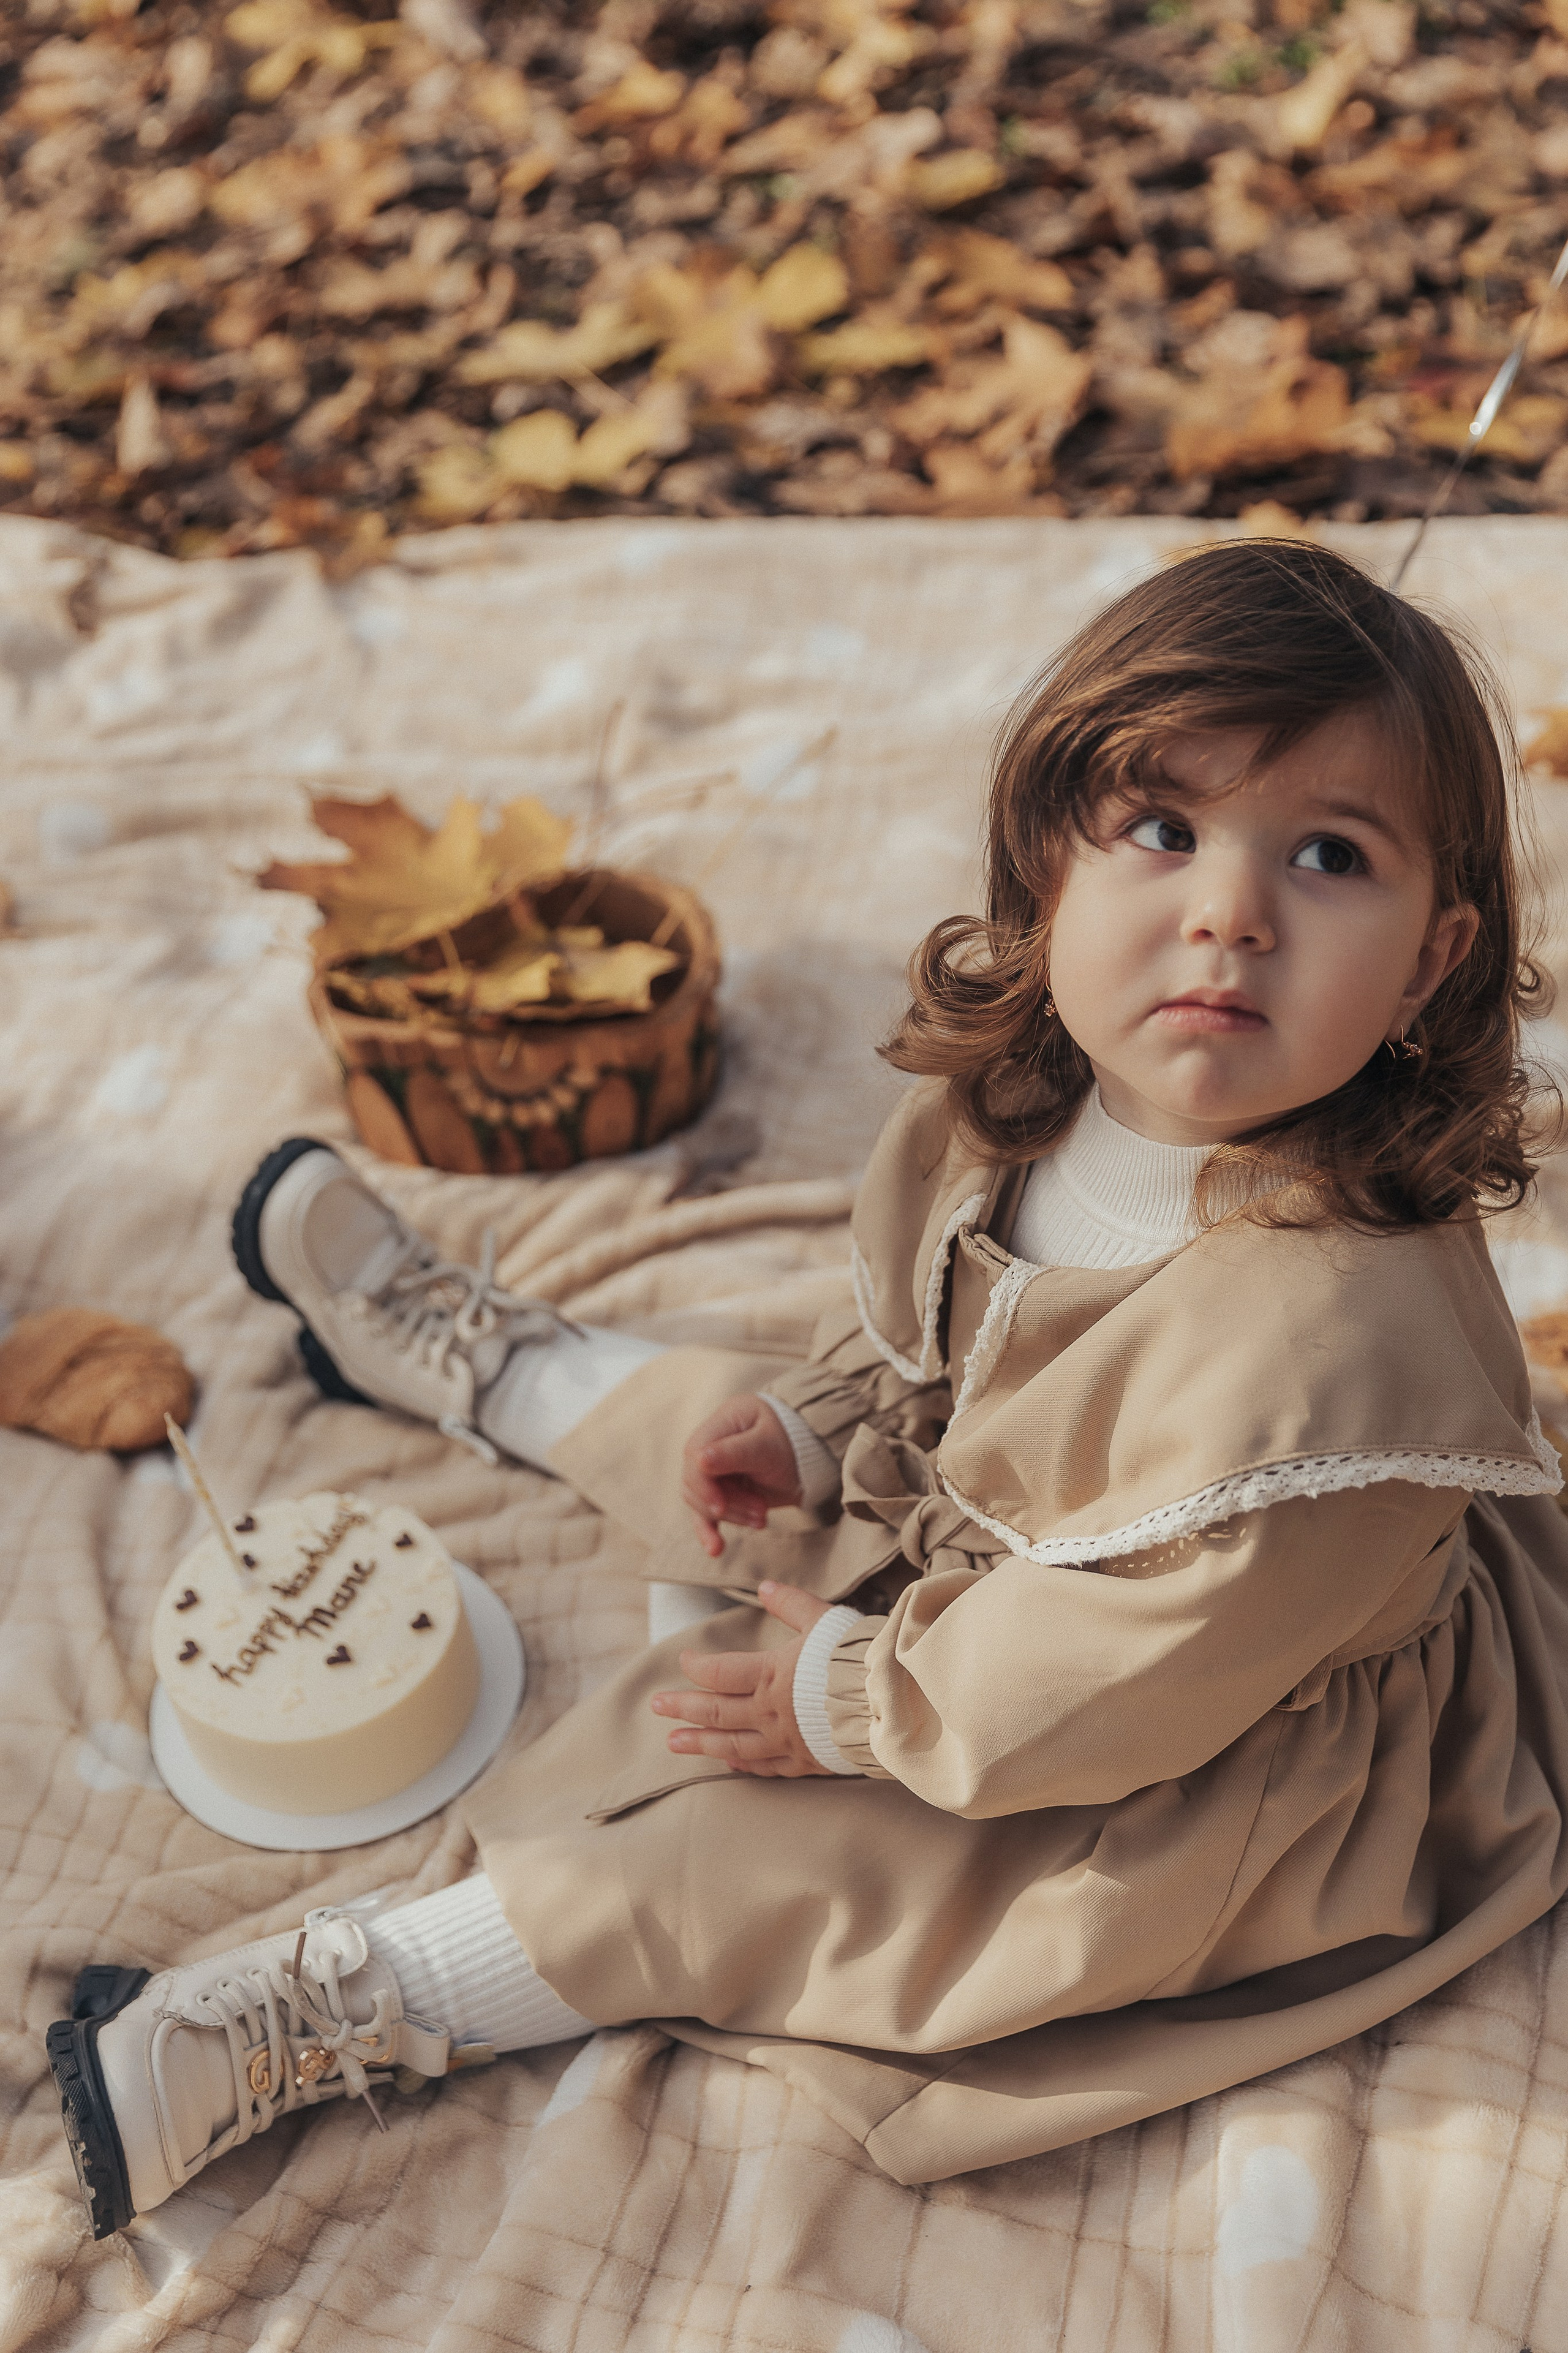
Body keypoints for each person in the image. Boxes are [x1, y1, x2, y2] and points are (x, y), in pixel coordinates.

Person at [50, 539, 1568, 2234]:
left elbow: (1124, 1671)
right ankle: (514, 1371)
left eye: (1330, 855)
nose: (1231, 910)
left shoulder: (1331, 1356)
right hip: (1010, 1554)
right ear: (1046, 862)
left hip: (1199, 1749)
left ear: (1433, 961)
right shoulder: (1047, 1098)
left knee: (780, 1867)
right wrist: (819, 1425)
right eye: (1162, 828)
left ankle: (347, 2002)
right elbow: (925, 1355)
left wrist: (850, 1705)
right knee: (736, 1426)